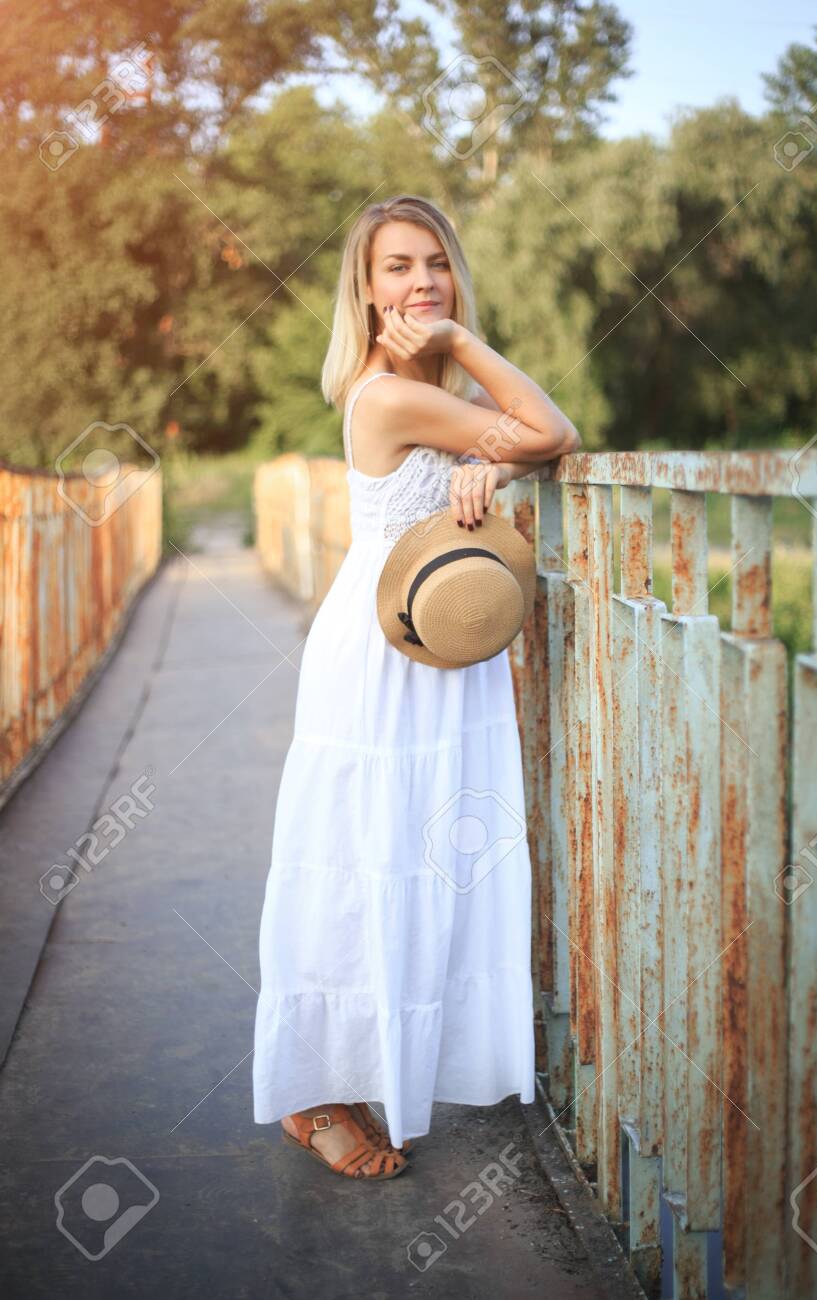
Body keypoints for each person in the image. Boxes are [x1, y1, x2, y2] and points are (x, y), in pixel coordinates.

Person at [252, 193, 579, 1181]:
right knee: (361, 853)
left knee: (420, 852)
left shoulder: (425, 385)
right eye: (397, 266)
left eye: (435, 263)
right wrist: (473, 359)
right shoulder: (388, 392)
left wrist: (484, 474)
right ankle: (309, 1094)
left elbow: (512, 447)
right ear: (365, 285)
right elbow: (549, 428)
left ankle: (359, 1066)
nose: (421, 283)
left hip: (444, 641)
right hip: (385, 649)